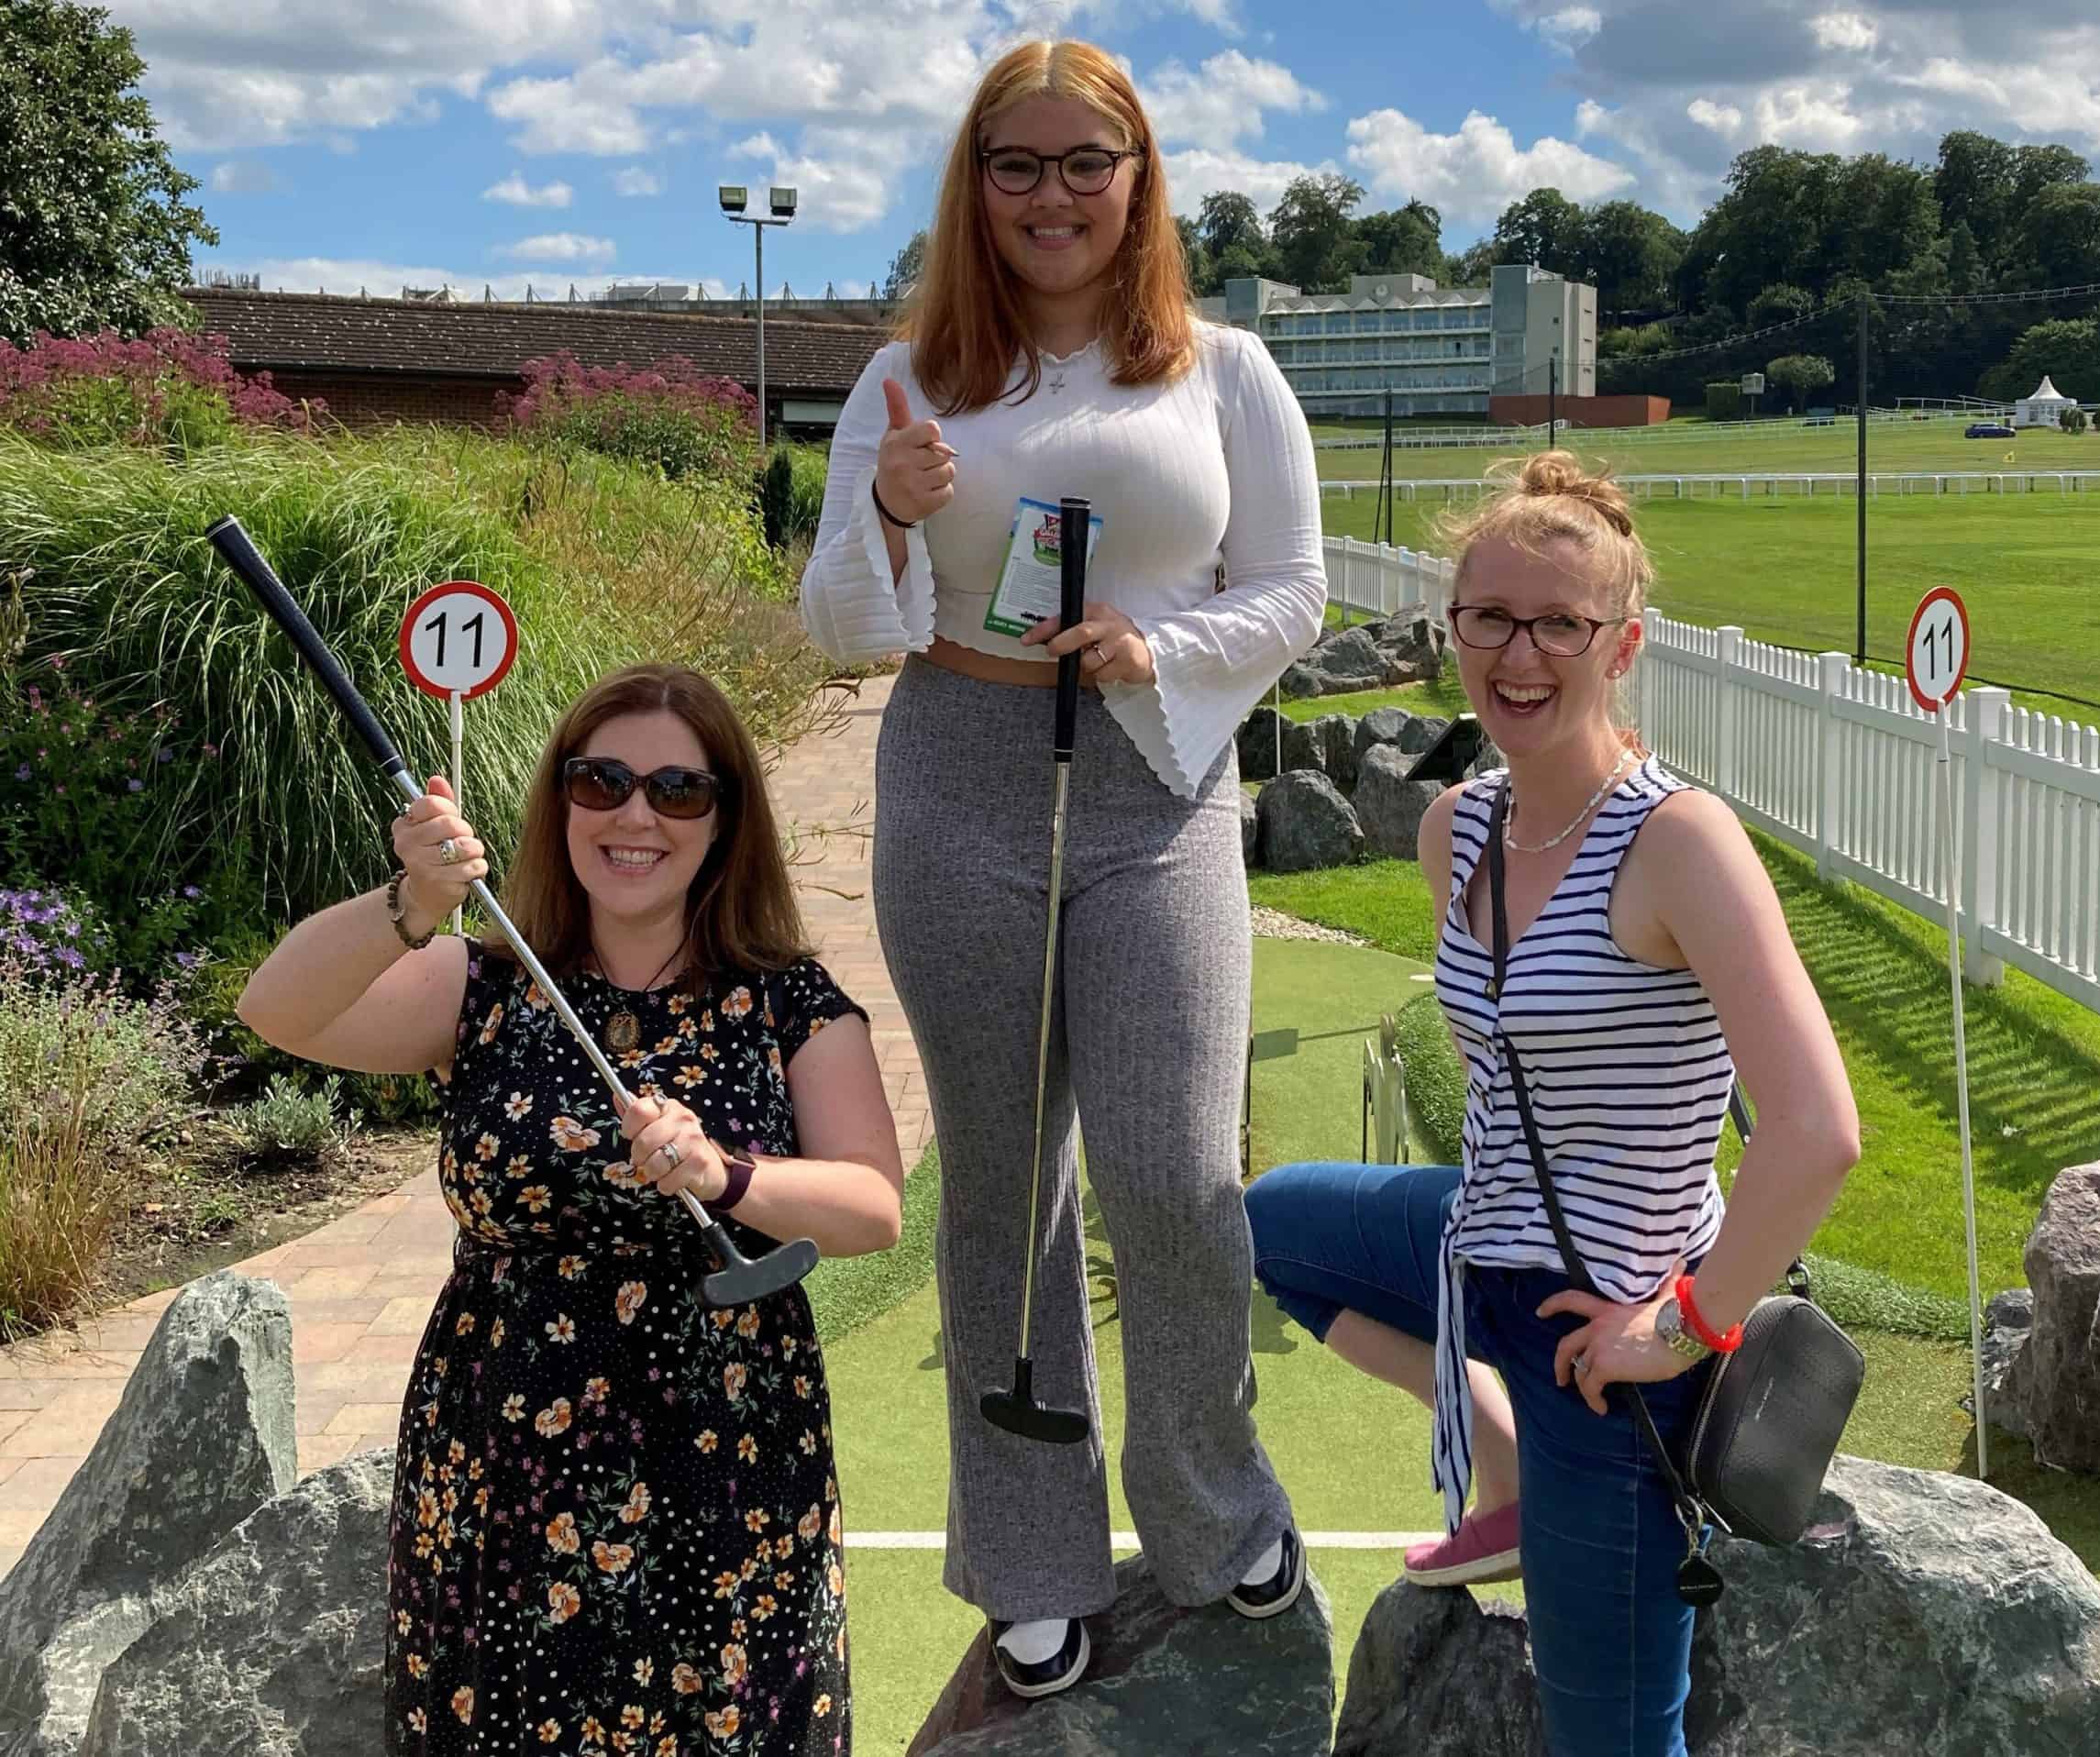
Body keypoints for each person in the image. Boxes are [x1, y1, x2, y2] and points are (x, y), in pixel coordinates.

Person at [797, 37, 1322, 1699]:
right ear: (974, 186)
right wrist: (885, 512)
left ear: (1138, 178)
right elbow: (846, 630)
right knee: (1009, 1182)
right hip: (959, 768)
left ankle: (1204, 1504)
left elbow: (1294, 594)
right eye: (1015, 165)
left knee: (1176, 1175)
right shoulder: (905, 379)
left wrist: (1158, 644)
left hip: (1158, 782)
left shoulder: (1223, 368)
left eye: (1084, 162)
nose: (1051, 195)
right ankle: (1027, 1552)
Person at [1243, 454, 1862, 1756]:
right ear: (1450, 626)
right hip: (1484, 1253)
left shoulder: (1678, 842)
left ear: (1621, 643)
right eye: (1490, 618)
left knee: (1615, 1742)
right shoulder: (1457, 829)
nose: (1519, 656)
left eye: (1560, 625)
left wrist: (1687, 1324)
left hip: (1612, 1347)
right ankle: (1497, 1448)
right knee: (1268, 1227)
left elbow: (1817, 1129)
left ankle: (1545, 1450)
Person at [237, 663, 903, 1754]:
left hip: (725, 1450)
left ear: (724, 818)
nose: (635, 814)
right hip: (503, 1446)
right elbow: (278, 1008)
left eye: (678, 790)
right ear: (561, 802)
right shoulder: (483, 982)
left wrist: (727, 1172)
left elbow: (871, 1204)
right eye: (602, 782)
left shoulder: (789, 997)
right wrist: (411, 903)